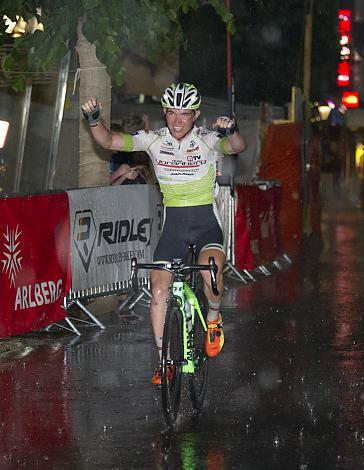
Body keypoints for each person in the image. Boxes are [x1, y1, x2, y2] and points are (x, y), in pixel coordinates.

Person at [81, 82, 247, 385]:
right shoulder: (153, 140)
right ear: (165, 113)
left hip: (206, 225)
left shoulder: (209, 140)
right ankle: (163, 362)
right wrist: (94, 119)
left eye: (185, 114)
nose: (177, 121)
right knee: (158, 292)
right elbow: (107, 141)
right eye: (171, 113)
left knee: (212, 274)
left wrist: (232, 129)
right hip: (173, 230)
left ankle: (213, 317)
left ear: (196, 115)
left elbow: (237, 147)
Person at [109, 113, 154, 186]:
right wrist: (119, 173)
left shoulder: (125, 153)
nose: (121, 144)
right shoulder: (107, 158)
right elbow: (103, 184)